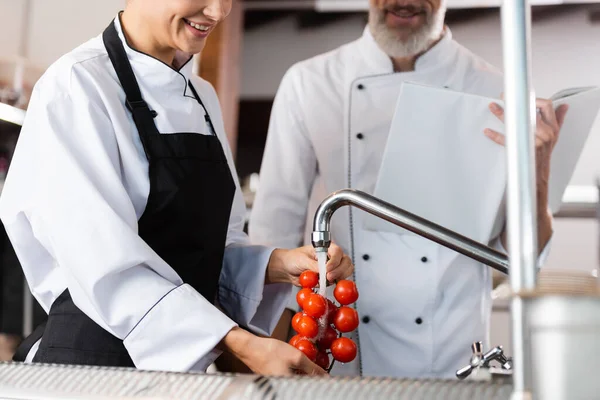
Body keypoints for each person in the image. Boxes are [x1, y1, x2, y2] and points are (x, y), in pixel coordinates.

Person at [0, 0, 354, 375]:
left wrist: (276, 265)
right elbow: (106, 272)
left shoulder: (202, 95)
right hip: (93, 371)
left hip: (178, 376)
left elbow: (207, 250)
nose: (218, 12)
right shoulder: (76, 86)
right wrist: (240, 343)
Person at [249, 0, 568, 378]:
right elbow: (273, 234)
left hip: (453, 351)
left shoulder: (498, 89)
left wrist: (540, 172)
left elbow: (526, 258)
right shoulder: (310, 82)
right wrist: (269, 359)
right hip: (345, 344)